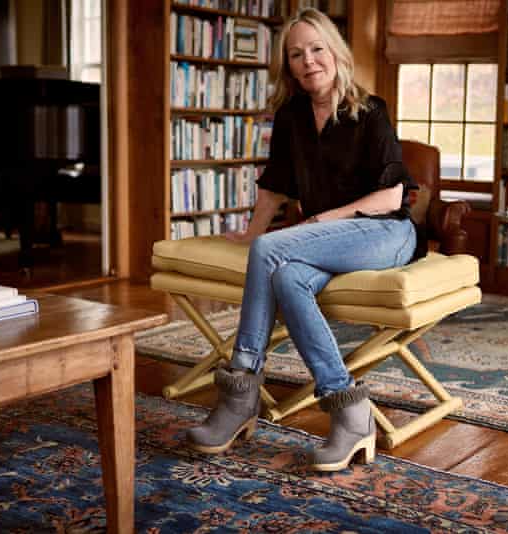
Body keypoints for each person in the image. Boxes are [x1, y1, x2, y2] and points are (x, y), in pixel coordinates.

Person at [186, 8, 421, 472]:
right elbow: (275, 184)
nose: (308, 60)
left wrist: (318, 221)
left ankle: (239, 397)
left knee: (272, 250)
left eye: (316, 48)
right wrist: (252, 232)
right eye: (296, 54)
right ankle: (350, 412)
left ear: (335, 52)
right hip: (329, 238)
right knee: (288, 276)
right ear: (288, 65)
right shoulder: (292, 116)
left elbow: (393, 193)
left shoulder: (370, 110)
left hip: (386, 232)